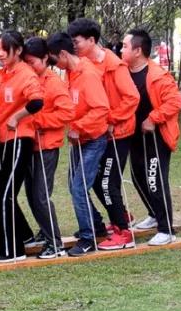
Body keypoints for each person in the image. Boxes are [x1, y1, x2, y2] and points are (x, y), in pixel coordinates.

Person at [67, 17, 140, 248]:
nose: (73, 46)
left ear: (91, 40)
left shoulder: (114, 65)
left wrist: (111, 119)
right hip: (98, 133)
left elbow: (132, 98)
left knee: (108, 182)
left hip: (118, 133)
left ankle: (123, 232)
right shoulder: (82, 65)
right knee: (97, 181)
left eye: (76, 42)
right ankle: (121, 216)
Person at [46, 32, 111, 257]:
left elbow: (101, 108)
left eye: (54, 59)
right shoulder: (70, 73)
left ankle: (88, 237)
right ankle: (96, 225)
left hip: (93, 139)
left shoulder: (88, 74)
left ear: (63, 54)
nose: (54, 64)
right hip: (79, 140)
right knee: (74, 186)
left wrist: (79, 127)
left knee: (78, 187)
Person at [121, 28, 181, 246]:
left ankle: (166, 230)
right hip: (134, 136)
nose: (121, 50)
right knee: (137, 176)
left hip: (156, 137)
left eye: (125, 46)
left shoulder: (158, 75)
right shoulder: (123, 72)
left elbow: (175, 102)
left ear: (138, 50)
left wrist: (153, 118)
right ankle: (154, 214)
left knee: (155, 180)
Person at [0, 31, 45, 263]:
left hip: (20, 138)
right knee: (0, 193)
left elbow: (37, 101)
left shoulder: (26, 73)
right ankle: (24, 236)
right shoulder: (3, 73)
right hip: (3, 139)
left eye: (5, 49)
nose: (0, 54)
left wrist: (17, 117)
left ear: (18, 50)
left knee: (6, 195)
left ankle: (12, 250)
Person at [21, 36, 75, 260]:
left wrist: (38, 121)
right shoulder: (30, 79)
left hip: (47, 147)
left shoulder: (53, 82)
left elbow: (67, 113)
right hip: (30, 145)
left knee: (41, 195)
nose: (29, 66)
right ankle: (45, 232)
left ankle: (55, 242)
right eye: (26, 62)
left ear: (45, 58)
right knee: (32, 194)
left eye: (32, 62)